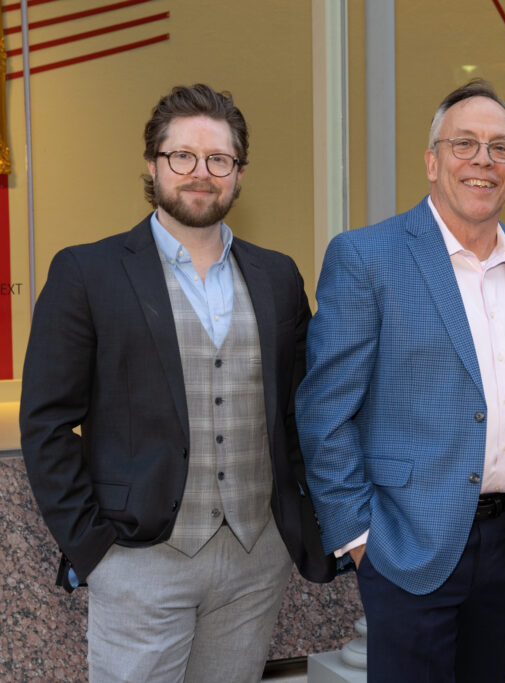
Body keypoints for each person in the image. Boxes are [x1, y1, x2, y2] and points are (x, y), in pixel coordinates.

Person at [19, 83, 334, 682]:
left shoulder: (278, 277)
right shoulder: (88, 272)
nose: (201, 173)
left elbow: (303, 412)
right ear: (152, 165)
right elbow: (47, 422)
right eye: (182, 156)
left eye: (219, 159)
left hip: (254, 559)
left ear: (239, 174)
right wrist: (95, 551)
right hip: (139, 561)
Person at [295, 80, 505, 682]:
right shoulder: (367, 258)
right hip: (405, 545)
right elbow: (324, 411)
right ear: (431, 160)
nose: (482, 160)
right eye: (464, 143)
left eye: (500, 149)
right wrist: (362, 539)